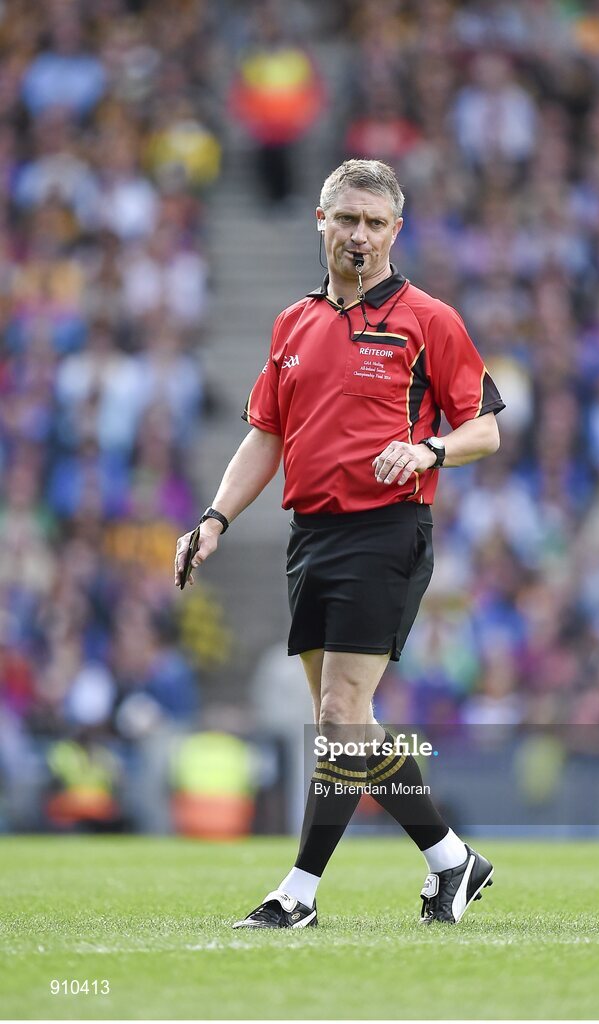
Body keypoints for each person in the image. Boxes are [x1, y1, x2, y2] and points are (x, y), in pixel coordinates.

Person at [174, 159, 505, 927]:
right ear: (320, 221)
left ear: (396, 232)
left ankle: (300, 892)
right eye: (346, 219)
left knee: (340, 712)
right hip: (310, 535)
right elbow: (265, 435)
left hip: (385, 529)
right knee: (344, 725)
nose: (359, 235)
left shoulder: (428, 319)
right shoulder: (292, 322)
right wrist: (215, 518)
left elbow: (484, 426)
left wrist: (430, 451)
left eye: (374, 223)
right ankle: (452, 860)